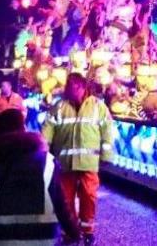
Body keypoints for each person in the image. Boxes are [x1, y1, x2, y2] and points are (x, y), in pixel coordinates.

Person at [0, 109, 79, 246]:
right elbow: (60, 205)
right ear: (23, 130)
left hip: (1, 241)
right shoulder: (47, 162)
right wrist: (74, 232)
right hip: (45, 241)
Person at [42, 73, 114, 245]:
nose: (69, 90)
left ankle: (88, 231)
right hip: (65, 164)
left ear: (82, 88)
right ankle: (70, 231)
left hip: (88, 163)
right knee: (66, 199)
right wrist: (43, 149)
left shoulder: (98, 106)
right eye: (68, 86)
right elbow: (48, 128)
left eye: (72, 87)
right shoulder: (59, 106)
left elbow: (107, 131)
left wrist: (106, 155)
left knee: (89, 196)